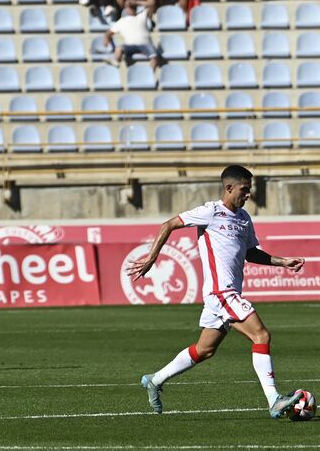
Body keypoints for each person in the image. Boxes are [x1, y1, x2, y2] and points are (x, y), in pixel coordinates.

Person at [129, 165, 306, 418]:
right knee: (261, 336)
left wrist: (282, 261)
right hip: (221, 292)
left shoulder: (244, 218)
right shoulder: (210, 211)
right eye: (244, 190)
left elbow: (250, 252)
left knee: (205, 350)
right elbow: (169, 224)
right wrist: (151, 258)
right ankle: (273, 399)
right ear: (229, 188)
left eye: (250, 190)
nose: (248, 195)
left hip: (224, 294)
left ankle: (155, 380)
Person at [103, 0, 161, 68]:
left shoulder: (141, 16)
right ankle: (116, 61)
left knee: (154, 56)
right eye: (128, 7)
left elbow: (152, 5)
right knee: (119, 48)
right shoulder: (121, 21)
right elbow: (108, 33)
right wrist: (106, 39)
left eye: (132, 7)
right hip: (129, 46)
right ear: (125, 9)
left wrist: (136, 2)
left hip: (145, 44)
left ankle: (149, 75)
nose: (130, 8)